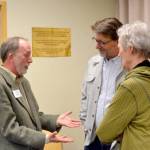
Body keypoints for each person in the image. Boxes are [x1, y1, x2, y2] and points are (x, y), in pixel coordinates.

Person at [0, 36, 81, 150]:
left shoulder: (23, 82)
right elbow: (10, 128)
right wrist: (45, 138)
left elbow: (35, 116)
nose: (31, 60)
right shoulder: (1, 83)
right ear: (11, 56)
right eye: (27, 54)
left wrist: (55, 121)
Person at [96, 21, 150, 150]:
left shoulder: (130, 86)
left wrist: (124, 129)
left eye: (120, 48)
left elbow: (104, 134)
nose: (119, 54)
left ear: (130, 49)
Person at [79, 17, 125, 150]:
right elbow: (84, 95)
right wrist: (84, 121)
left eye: (102, 42)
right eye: (96, 40)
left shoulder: (129, 66)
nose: (96, 46)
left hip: (117, 140)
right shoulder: (93, 62)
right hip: (93, 138)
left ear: (118, 41)